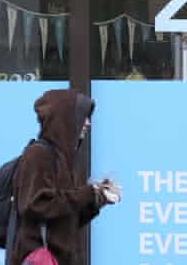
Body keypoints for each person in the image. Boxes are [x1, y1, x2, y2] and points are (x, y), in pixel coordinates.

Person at [8, 89, 117, 265]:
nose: (88, 123)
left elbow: (65, 219)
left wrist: (97, 199)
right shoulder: (38, 155)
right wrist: (88, 192)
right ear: (64, 120)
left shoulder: (62, 159)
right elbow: (37, 205)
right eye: (82, 117)